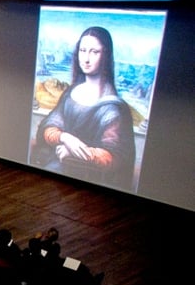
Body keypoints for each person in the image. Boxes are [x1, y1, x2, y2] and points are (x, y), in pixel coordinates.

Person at [32, 26, 136, 191]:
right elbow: (48, 127)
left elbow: (114, 158)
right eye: (82, 50)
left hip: (91, 185)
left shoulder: (114, 109)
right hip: (56, 171)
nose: (86, 58)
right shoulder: (71, 93)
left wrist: (74, 152)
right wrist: (65, 137)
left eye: (94, 52)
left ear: (106, 55)